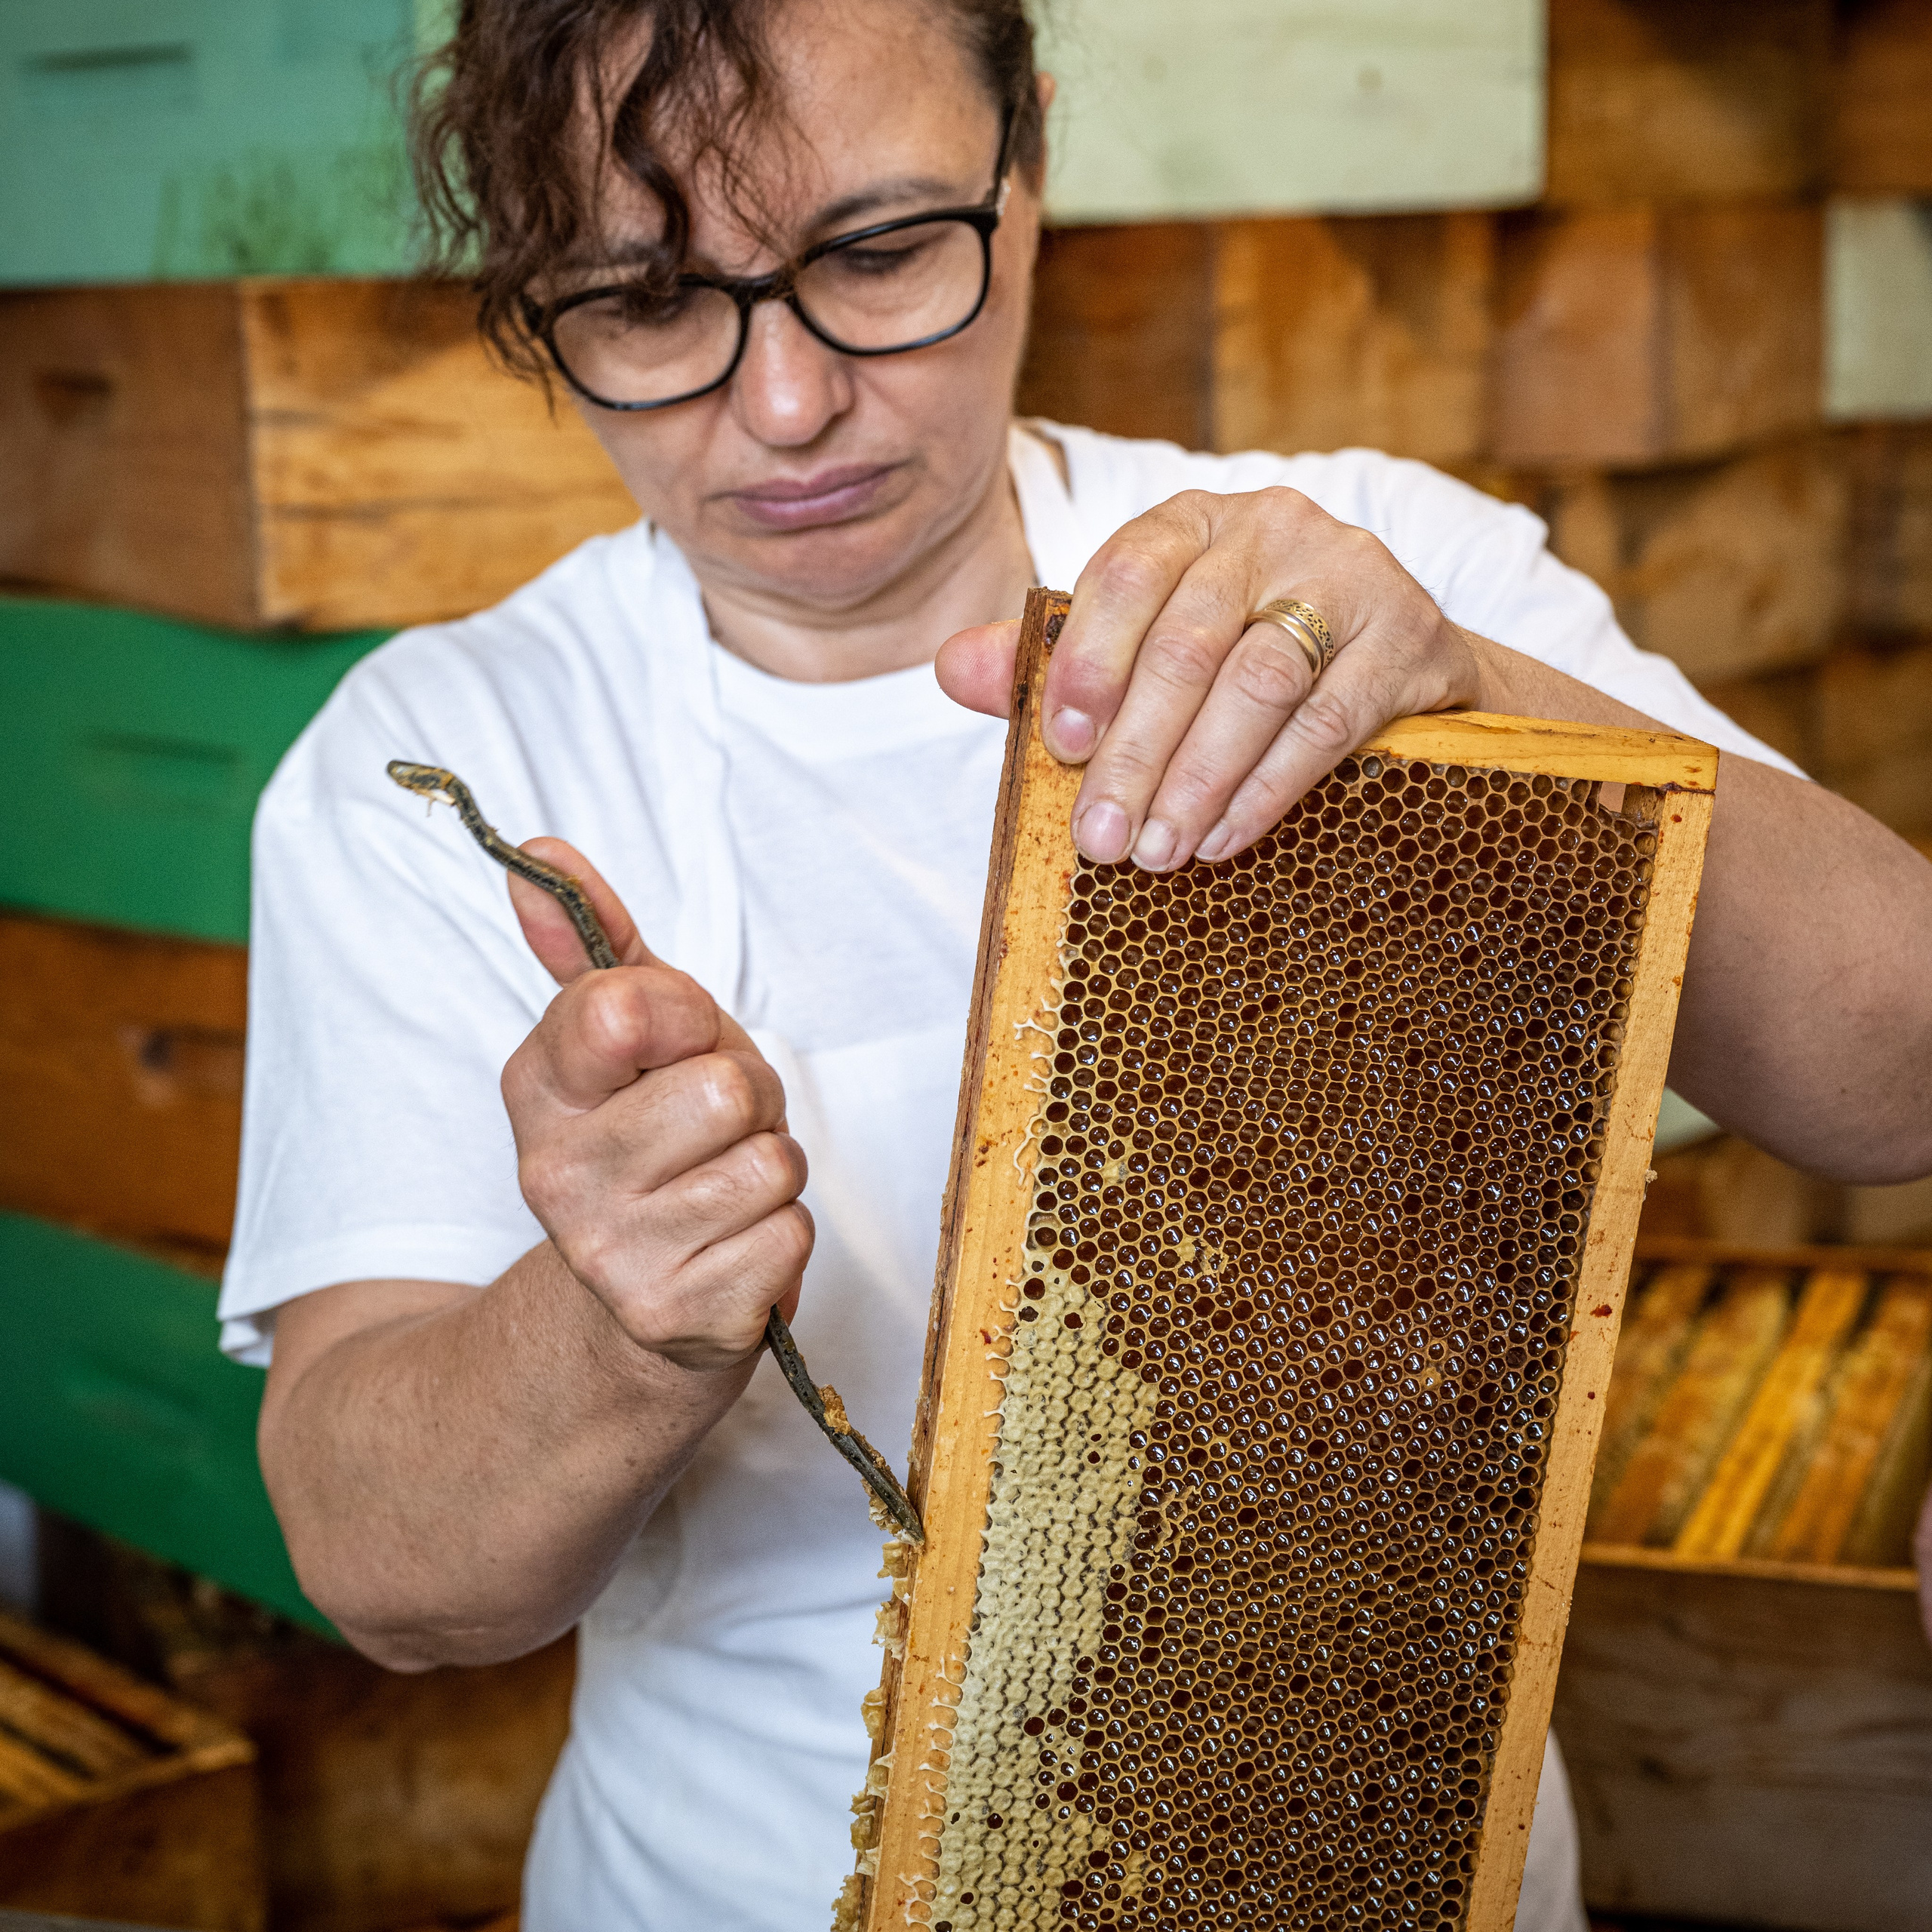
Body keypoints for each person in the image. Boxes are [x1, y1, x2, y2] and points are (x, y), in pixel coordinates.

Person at [217, 2, 1932, 1928]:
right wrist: (608, 1327)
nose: (782, 404)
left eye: (875, 254)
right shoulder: (439, 752)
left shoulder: (1377, 562)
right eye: (641, 298)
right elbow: (382, 1562)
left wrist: (1478, 697)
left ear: (1022, 161)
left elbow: (1895, 1072)